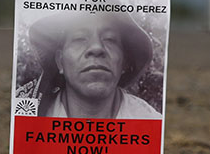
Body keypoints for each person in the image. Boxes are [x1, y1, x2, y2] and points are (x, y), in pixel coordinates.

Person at [23, 10, 161, 119]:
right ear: (60, 61)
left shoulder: (149, 122)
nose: (96, 48)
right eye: (80, 38)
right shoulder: (26, 117)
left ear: (124, 62)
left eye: (109, 39)